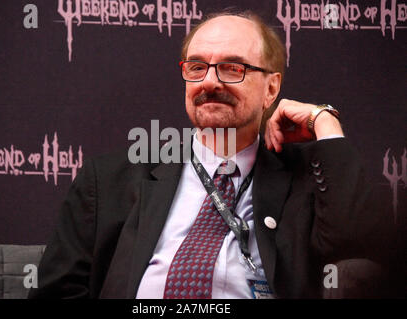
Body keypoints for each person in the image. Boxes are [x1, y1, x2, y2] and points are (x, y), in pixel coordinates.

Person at [29, 10, 391, 299]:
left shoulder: (303, 181)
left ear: (272, 88)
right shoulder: (110, 179)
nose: (210, 82)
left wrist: (324, 121)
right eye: (197, 67)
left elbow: (357, 246)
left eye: (233, 68)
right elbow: (57, 292)